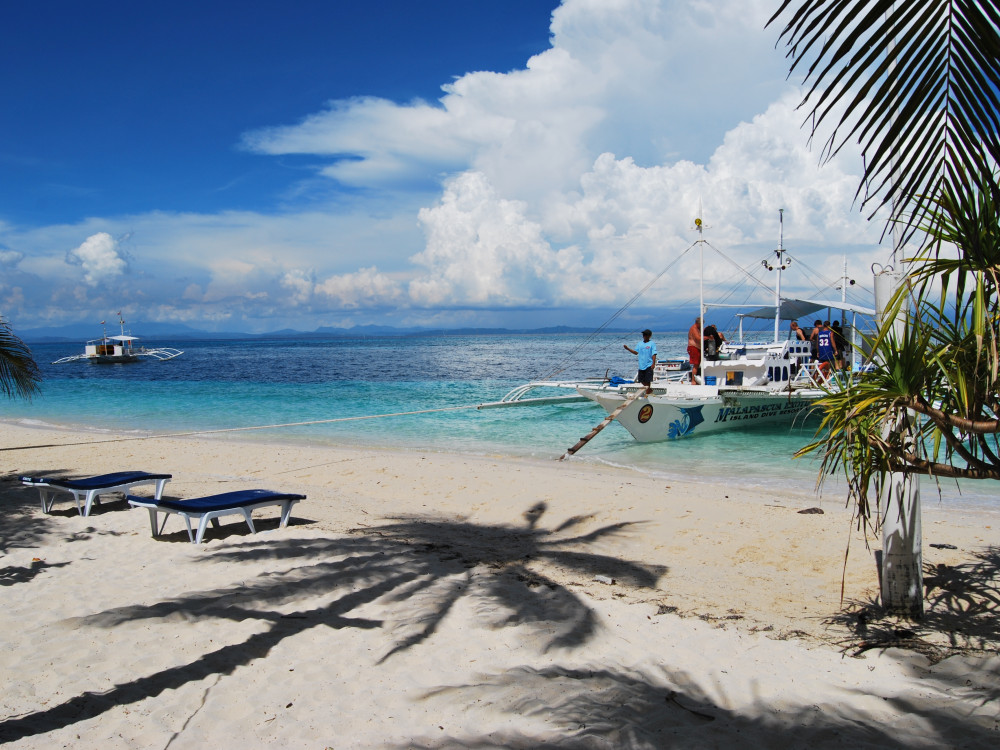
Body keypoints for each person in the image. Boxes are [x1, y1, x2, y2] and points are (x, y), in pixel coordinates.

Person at [623, 329, 657, 394]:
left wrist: (653, 363)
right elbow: (636, 352)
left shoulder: (652, 344)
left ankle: (647, 392)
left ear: (649, 336)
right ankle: (649, 390)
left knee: (648, 380)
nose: (644, 336)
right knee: (641, 380)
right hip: (641, 365)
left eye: (645, 335)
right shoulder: (640, 344)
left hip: (649, 364)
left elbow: (654, 354)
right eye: (643, 335)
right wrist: (628, 349)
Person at [687, 317, 702, 384]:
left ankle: (695, 379)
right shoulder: (694, 328)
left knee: (698, 364)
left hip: (697, 348)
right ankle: (693, 381)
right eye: (702, 324)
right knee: (696, 365)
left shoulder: (698, 329)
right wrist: (708, 337)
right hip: (693, 347)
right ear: (698, 323)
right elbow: (698, 338)